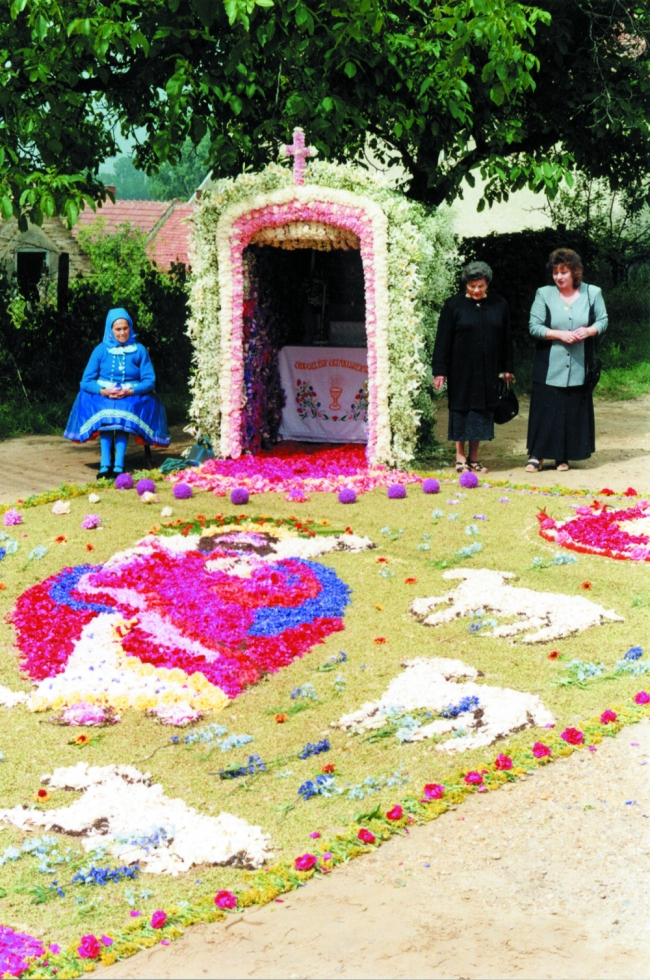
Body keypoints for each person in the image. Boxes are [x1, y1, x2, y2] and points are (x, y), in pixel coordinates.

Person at [526, 249, 608, 473]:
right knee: (546, 409)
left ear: (575, 272)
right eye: (555, 273)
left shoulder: (593, 293)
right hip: (549, 364)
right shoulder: (543, 293)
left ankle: (562, 456)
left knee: (570, 409)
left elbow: (602, 320)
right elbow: (534, 326)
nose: (559, 277)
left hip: (580, 364)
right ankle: (536, 455)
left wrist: (589, 331)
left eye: (564, 272)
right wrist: (559, 334)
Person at [64, 307, 170, 478]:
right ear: (110, 329)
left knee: (123, 413)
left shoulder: (139, 350)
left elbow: (149, 381)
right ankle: (105, 464)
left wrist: (131, 391)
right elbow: (86, 381)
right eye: (118, 329)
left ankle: (119, 465)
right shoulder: (101, 350)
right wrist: (104, 391)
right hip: (105, 395)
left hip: (131, 395)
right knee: (106, 414)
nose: (122, 333)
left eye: (125, 328)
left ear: (130, 328)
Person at [432, 261, 514, 474]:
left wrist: (507, 368)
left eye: (480, 286)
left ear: (487, 284)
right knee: (461, 411)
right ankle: (460, 458)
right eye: (472, 286)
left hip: (488, 369)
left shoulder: (499, 304)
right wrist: (440, 371)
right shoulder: (453, 305)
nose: (476, 290)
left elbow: (506, 339)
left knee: (481, 411)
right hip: (460, 370)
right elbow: (443, 339)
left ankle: (474, 458)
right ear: (466, 284)